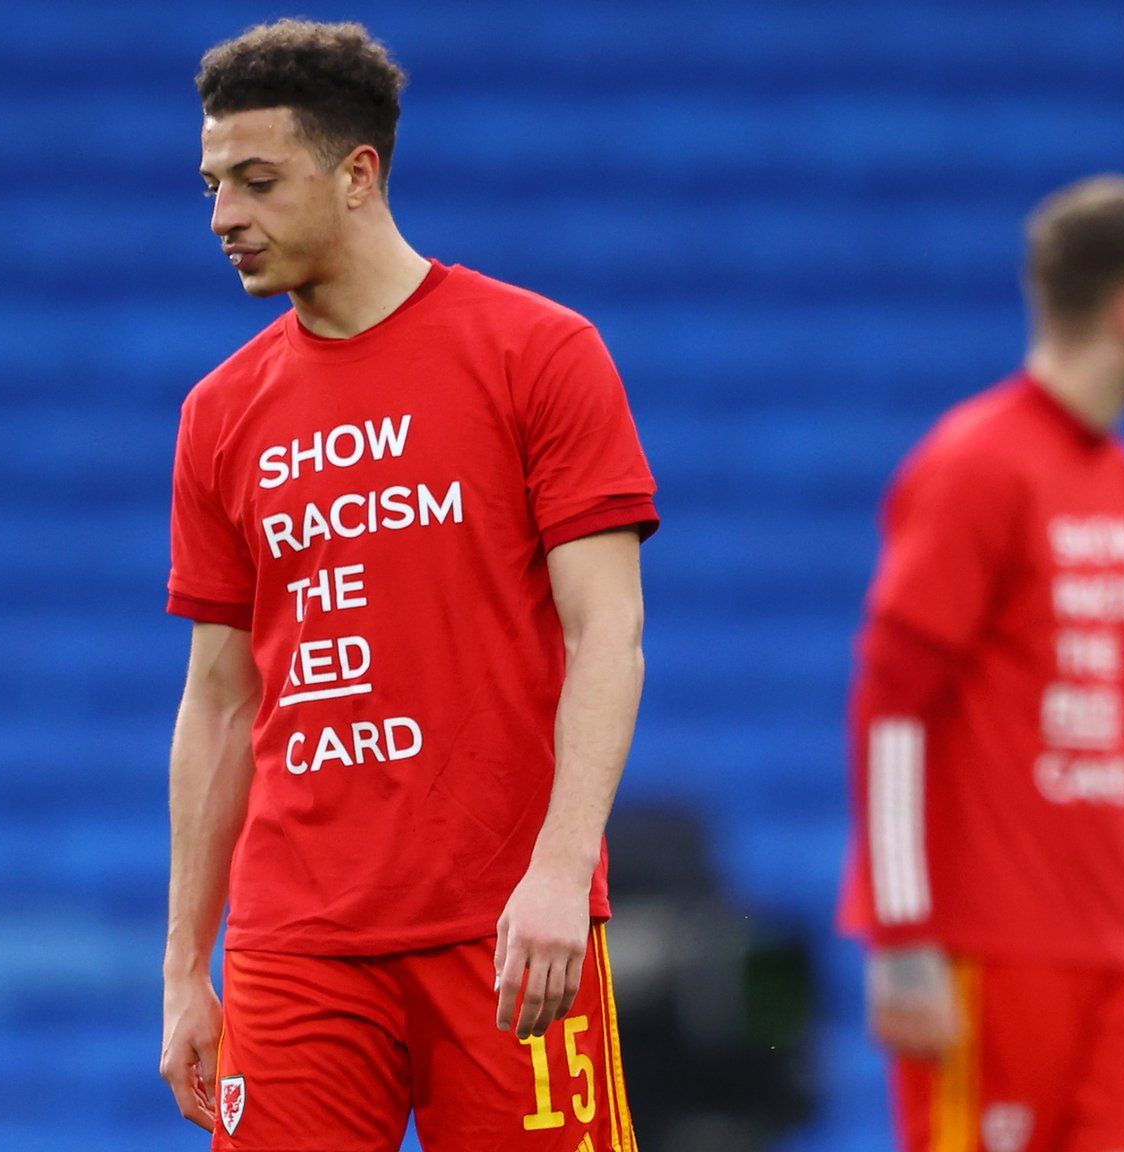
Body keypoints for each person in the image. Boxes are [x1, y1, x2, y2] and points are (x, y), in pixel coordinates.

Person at [159, 20, 658, 1152]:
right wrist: (187, 962)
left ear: (357, 174)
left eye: (254, 180)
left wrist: (559, 874)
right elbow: (219, 701)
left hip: (502, 925)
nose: (221, 216)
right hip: (295, 939)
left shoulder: (536, 353)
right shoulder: (219, 415)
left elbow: (606, 631)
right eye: (209, 184)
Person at [838, 175, 1124, 1152]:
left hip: (1114, 965)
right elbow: (890, 707)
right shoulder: (975, 466)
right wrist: (901, 938)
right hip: (987, 961)